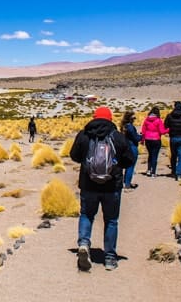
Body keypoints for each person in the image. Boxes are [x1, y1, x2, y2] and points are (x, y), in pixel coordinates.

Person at [70, 106, 135, 271]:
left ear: (94, 117)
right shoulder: (118, 137)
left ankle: (84, 244)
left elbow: (74, 155)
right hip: (112, 186)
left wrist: (87, 162)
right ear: (110, 118)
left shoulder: (84, 135)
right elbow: (129, 160)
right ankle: (110, 258)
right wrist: (115, 165)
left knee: (87, 214)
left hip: (88, 185)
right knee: (111, 220)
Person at [164, 101, 181, 181]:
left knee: (173, 155)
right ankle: (179, 173)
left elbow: (165, 125)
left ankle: (173, 170)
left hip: (173, 138)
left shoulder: (169, 116)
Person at [140, 107, 169, 177]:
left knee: (150, 155)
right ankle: (153, 172)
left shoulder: (146, 120)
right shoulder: (158, 121)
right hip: (156, 140)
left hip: (148, 139)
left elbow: (143, 131)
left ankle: (149, 170)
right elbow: (162, 131)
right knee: (154, 156)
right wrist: (168, 129)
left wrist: (142, 140)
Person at [120, 111, 141, 190]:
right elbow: (135, 138)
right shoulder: (130, 127)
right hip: (132, 147)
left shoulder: (123, 126)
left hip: (124, 147)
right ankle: (127, 184)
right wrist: (141, 137)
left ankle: (125, 182)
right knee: (130, 166)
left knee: (126, 165)